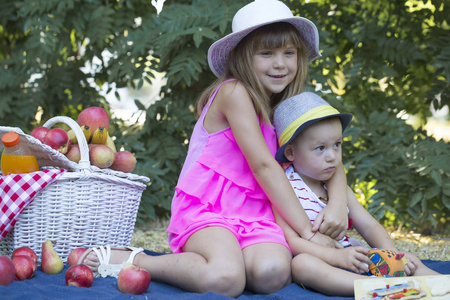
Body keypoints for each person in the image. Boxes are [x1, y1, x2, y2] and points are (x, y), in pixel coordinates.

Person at [79, 0, 349, 296]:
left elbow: (328, 153)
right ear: (244, 57)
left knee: (272, 274)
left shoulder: (286, 107)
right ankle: (136, 259)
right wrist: (309, 235)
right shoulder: (235, 92)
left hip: (258, 212)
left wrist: (337, 203)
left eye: (289, 53)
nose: (280, 64)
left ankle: (227, 259)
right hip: (210, 208)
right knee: (226, 279)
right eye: (266, 53)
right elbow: (263, 165)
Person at [272, 91, 441, 297]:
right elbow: (292, 241)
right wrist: (338, 258)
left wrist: (393, 254)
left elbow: (368, 225)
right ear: (291, 153)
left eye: (337, 145)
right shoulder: (284, 187)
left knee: (410, 260)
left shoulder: (336, 187)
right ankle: (375, 289)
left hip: (354, 256)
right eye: (320, 148)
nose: (332, 156)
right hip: (323, 261)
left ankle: (439, 285)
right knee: (301, 265)